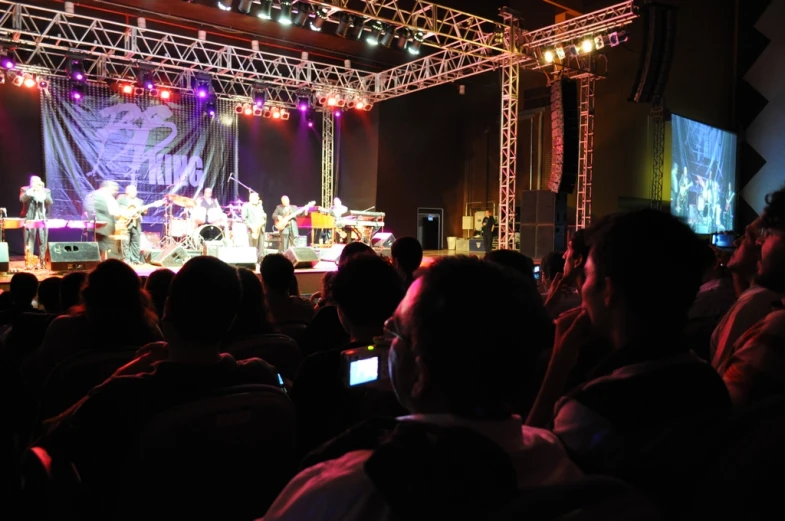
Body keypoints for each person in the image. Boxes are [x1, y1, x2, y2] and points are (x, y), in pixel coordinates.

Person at [263, 257, 581, 521]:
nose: (384, 343)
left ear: (422, 372)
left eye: (396, 331)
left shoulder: (347, 488)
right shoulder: (555, 459)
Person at [19, 175, 53, 267]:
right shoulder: (25, 189)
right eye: (32, 181)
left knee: (43, 241)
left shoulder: (46, 191)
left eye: (36, 182)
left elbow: (49, 202)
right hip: (30, 219)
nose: (33, 183)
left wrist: (41, 191)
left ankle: (42, 261)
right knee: (29, 241)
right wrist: (32, 190)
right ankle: (29, 261)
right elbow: (22, 199)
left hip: (42, 219)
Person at [85, 181, 121, 259]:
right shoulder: (95, 195)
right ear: (106, 187)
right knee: (105, 249)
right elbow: (90, 209)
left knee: (105, 249)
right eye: (114, 189)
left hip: (105, 228)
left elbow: (115, 212)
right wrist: (97, 223)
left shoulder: (108, 197)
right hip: (100, 228)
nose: (116, 192)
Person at [116, 185, 147, 265]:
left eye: (135, 191)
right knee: (125, 243)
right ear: (127, 191)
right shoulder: (121, 200)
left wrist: (144, 211)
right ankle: (127, 260)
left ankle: (135, 259)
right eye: (132, 191)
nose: (135, 192)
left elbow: (142, 213)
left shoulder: (140, 201)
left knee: (136, 243)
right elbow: (116, 211)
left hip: (136, 224)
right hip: (125, 224)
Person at [242, 192, 267, 262]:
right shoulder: (246, 206)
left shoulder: (259, 206)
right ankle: (253, 263)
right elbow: (244, 218)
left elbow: (263, 215)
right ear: (251, 198)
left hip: (260, 228)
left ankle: (260, 262)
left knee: (261, 249)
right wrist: (251, 226)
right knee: (253, 248)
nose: (258, 199)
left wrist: (264, 216)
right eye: (256, 198)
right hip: (253, 230)